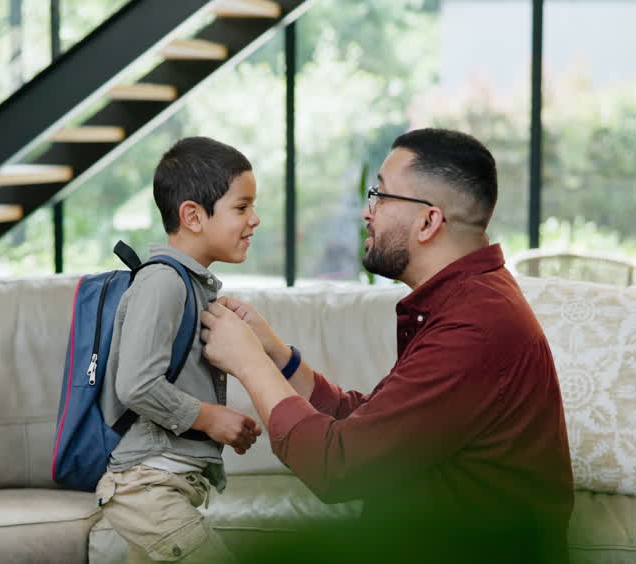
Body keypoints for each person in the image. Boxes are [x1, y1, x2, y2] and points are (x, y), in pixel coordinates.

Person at [200, 128, 574, 539]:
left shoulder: (476, 326)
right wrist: (276, 356)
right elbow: (371, 426)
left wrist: (248, 364)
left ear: (428, 221)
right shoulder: (465, 301)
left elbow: (336, 466)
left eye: (380, 194)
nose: (367, 211)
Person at [95, 136, 262, 564]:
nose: (254, 219)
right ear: (193, 216)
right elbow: (134, 384)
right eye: (241, 207)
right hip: (146, 489)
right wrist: (213, 418)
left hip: (166, 486)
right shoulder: (163, 281)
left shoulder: (192, 285)